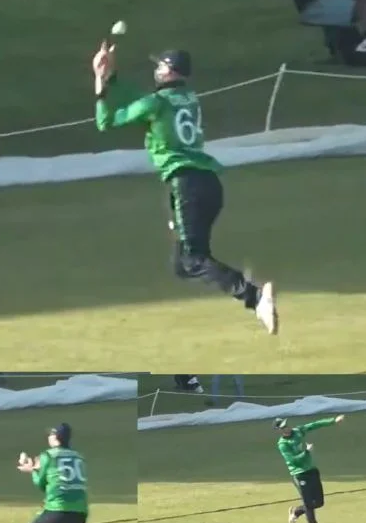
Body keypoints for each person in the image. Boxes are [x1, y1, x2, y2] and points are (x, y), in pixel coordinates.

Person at [92, 43, 278, 335]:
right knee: (182, 264)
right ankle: (250, 294)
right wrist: (111, 76)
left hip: (185, 184)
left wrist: (99, 84)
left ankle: (255, 297)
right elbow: (143, 100)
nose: (156, 70)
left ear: (171, 71)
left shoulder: (156, 103)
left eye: (160, 66)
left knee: (194, 260)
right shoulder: (188, 98)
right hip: (208, 183)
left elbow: (106, 122)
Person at [276, 415, 343, 523]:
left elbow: (314, 424)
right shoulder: (282, 444)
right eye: (283, 427)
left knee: (318, 502)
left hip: (312, 471)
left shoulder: (297, 431)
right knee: (309, 506)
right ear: (278, 430)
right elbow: (292, 460)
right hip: (300, 474)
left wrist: (333, 421)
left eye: (287, 425)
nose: (287, 428)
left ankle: (296, 512)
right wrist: (306, 452)